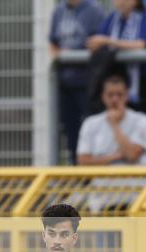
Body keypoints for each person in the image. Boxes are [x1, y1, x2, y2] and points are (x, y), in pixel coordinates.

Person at [49, 0, 104, 164]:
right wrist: (58, 54)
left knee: (89, 129)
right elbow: (53, 42)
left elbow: (98, 44)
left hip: (87, 81)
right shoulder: (59, 10)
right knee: (69, 130)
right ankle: (76, 171)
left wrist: (73, 53)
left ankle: (91, 172)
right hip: (65, 81)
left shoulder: (94, 11)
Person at [86, 0, 146, 112]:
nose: (120, 2)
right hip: (117, 80)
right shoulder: (113, 18)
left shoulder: (144, 17)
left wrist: (109, 42)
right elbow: (97, 41)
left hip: (142, 83)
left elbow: (141, 44)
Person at [76, 74, 146, 165]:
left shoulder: (142, 120)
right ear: (103, 97)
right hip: (100, 179)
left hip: (134, 179)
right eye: (110, 95)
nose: (115, 99)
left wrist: (114, 124)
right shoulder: (90, 123)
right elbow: (83, 162)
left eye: (119, 95)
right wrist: (116, 156)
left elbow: (132, 155)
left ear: (127, 95)